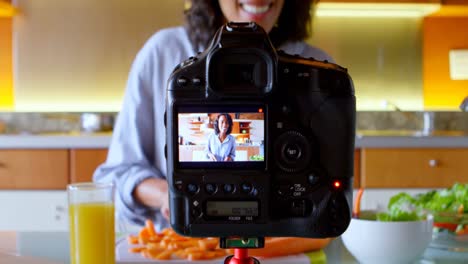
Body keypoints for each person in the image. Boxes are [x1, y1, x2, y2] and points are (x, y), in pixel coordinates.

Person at [93, 0, 334, 231]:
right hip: (184, 250)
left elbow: (332, 189)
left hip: (283, 249)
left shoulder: (319, 72)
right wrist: (170, 196)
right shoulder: (163, 53)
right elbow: (116, 175)